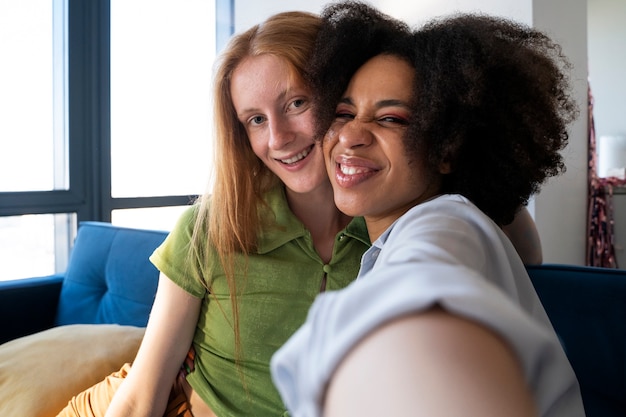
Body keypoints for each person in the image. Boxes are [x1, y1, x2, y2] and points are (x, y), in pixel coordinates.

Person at [57, 6, 544, 417]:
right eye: (255, 120)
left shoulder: (402, 227)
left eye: (296, 103)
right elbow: (141, 392)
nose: (279, 138)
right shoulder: (212, 225)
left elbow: (514, 254)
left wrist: (472, 168)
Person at [270, 2, 584, 417]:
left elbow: (421, 290)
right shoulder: (456, 223)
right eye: (343, 112)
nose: (350, 135)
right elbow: (528, 252)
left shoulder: (444, 224)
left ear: (446, 148)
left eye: (392, 119)